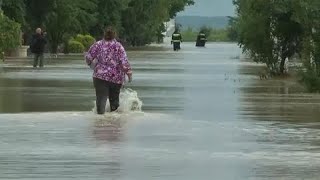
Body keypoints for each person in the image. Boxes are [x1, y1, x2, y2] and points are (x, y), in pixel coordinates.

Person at [85, 27, 132, 115]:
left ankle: (99, 123)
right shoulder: (119, 46)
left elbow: (88, 58)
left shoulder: (98, 44)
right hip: (116, 78)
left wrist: (92, 65)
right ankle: (113, 125)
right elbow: (124, 63)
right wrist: (129, 74)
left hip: (100, 77)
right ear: (115, 35)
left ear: (104, 34)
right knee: (114, 105)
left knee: (101, 101)